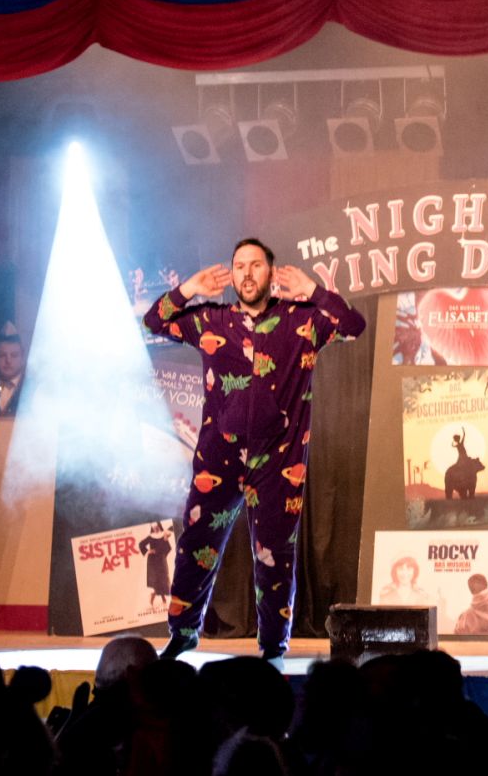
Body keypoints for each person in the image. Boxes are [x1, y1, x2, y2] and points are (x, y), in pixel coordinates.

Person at [142, 237, 365, 663]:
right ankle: (183, 633)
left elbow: (354, 325)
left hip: (278, 461)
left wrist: (313, 291)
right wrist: (189, 289)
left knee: (276, 556)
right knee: (196, 544)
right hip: (217, 458)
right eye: (239, 266)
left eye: (256, 265)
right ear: (231, 276)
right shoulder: (211, 320)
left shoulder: (302, 321)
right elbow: (154, 321)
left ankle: (273, 648)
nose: (247, 273)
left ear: (271, 272)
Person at [139, 521, 173, 612]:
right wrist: (148, 551)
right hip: (153, 561)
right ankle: (161, 600)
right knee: (157, 580)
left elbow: (168, 548)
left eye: (157, 527)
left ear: (159, 526)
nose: (155, 529)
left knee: (164, 579)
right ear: (152, 528)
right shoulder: (151, 536)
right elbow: (141, 544)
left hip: (161, 560)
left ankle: (156, 597)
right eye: (154, 528)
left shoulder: (163, 535)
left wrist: (165, 540)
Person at [0, 334, 26, 417]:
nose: (8, 361)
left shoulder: (31, 387)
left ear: (22, 358)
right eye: (2, 355)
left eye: (14, 355)